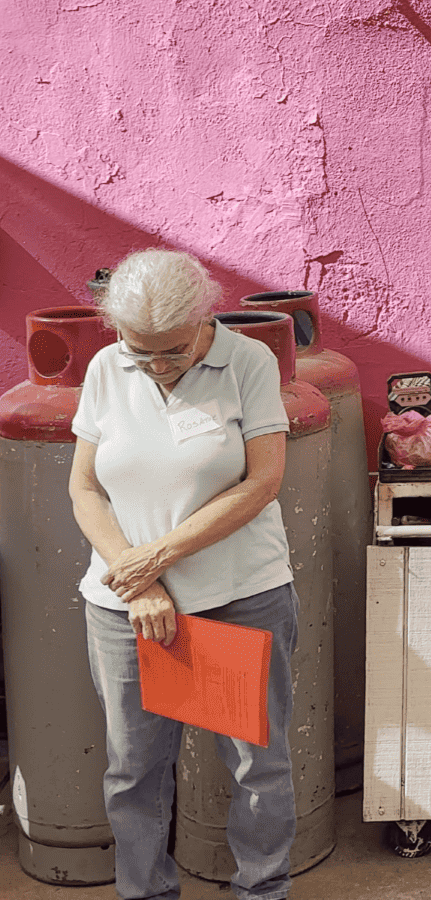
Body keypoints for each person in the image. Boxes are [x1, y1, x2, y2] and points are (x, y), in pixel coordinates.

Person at [69, 248, 298, 900]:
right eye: (142, 351)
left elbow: (263, 482)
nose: (158, 367)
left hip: (234, 598)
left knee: (256, 769)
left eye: (173, 350)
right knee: (134, 770)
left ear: (205, 318)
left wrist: (157, 558)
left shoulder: (247, 363)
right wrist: (136, 580)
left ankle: (262, 892)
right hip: (128, 608)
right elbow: (85, 490)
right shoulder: (109, 367)